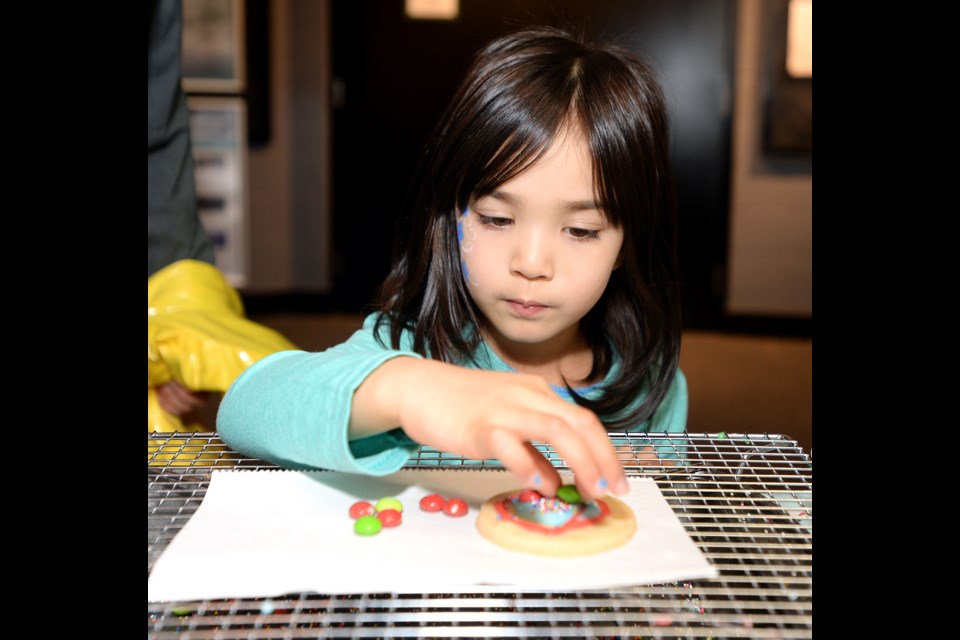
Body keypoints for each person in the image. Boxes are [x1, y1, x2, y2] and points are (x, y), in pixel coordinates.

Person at [217, 26, 687, 501]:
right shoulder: (410, 346)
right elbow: (244, 411)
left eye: (581, 231)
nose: (531, 263)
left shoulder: (652, 385)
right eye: (497, 219)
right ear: (452, 218)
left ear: (626, 244)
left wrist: (642, 493)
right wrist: (410, 391)